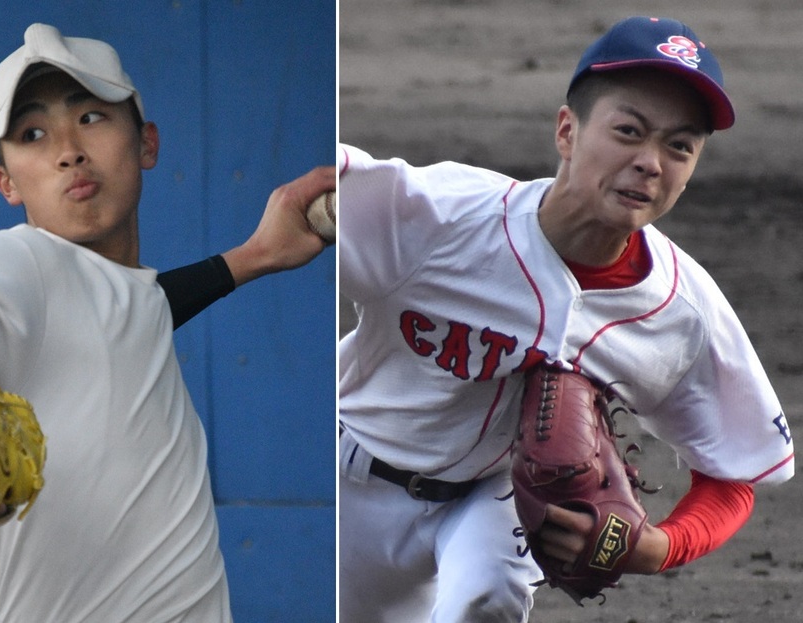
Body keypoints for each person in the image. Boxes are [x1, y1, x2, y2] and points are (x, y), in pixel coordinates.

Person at [0, 23, 334, 622]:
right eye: (33, 133)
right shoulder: (16, 264)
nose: (68, 149)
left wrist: (254, 257)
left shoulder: (112, 295)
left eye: (90, 116)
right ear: (6, 183)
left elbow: (135, 311)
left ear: (146, 144)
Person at [337, 15, 794, 622]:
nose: (651, 162)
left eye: (679, 146)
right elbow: (304, 188)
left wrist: (659, 546)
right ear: (567, 131)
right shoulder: (444, 217)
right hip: (344, 477)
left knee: (488, 596)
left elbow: (736, 471)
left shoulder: (683, 310)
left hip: (490, 500)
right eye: (629, 131)